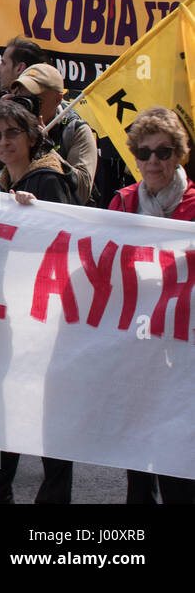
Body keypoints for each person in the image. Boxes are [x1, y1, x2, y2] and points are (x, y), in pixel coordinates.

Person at [0, 96, 78, 503]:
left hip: (43, 319)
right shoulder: (2, 185)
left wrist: (34, 218)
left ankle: (53, 495)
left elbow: (65, 244)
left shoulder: (47, 181)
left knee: (48, 413)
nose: (3, 142)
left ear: (32, 136)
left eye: (12, 133)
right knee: (1, 412)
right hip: (7, 315)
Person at [106, 106, 195, 504]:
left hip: (184, 348)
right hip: (138, 347)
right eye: (144, 154)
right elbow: (97, 261)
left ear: (179, 154)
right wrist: (32, 209)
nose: (153, 162)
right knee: (137, 459)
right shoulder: (123, 204)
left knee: (179, 458)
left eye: (163, 152)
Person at [0, 62, 97, 203]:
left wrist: (45, 147)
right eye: (21, 98)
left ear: (58, 99)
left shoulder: (74, 130)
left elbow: (82, 192)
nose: (25, 107)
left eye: (34, 100)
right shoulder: (9, 130)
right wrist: (2, 121)